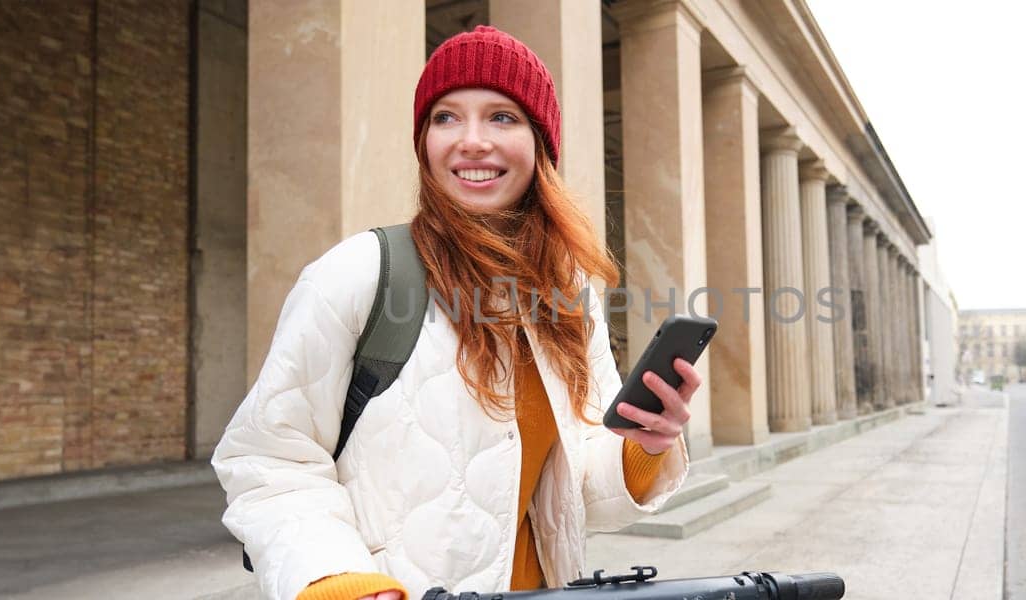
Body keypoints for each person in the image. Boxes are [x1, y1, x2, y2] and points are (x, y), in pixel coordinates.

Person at [212, 26, 697, 600]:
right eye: (446, 117)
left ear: (541, 144)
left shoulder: (568, 294)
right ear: (423, 142)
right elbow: (269, 461)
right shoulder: (359, 272)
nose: (471, 141)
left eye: (501, 117)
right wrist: (337, 580)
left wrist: (643, 447)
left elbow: (573, 493)